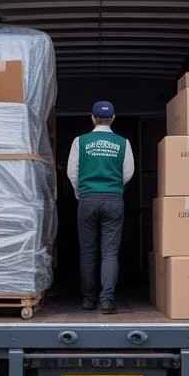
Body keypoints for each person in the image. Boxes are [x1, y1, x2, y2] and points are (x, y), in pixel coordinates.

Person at [66, 101, 135, 313]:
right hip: (113, 199)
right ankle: (106, 300)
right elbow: (128, 172)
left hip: (88, 199)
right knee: (110, 253)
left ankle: (88, 300)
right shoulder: (123, 143)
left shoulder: (81, 141)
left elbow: (72, 172)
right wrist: (114, 188)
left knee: (88, 252)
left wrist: (81, 193)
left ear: (92, 118)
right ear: (113, 118)